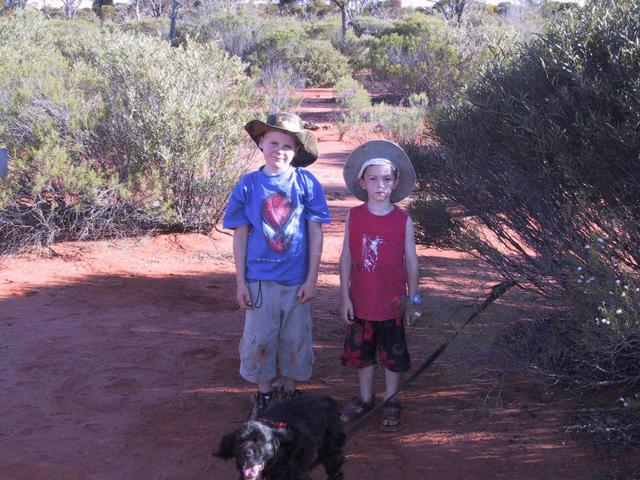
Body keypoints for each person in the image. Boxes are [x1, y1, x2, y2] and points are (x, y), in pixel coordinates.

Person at [223, 112, 331, 420]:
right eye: (273, 142)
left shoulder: (306, 183)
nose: (279, 150)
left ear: (297, 151)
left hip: (296, 281)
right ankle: (265, 394)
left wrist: (312, 278)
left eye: (287, 145)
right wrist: (240, 281)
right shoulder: (248, 185)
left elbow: (315, 231)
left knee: (296, 337)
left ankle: (291, 390)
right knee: (260, 336)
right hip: (259, 279)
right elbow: (241, 234)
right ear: (260, 144)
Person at [338, 139, 421, 431]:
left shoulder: (402, 219)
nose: (380, 185)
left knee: (393, 356)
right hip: (361, 301)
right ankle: (364, 398)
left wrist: (414, 300)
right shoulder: (354, 216)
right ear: (362, 182)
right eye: (373, 179)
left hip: (393, 303)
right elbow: (347, 256)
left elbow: (411, 261)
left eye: (386, 179)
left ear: (396, 181)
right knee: (363, 354)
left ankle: (392, 400)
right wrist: (344, 297)